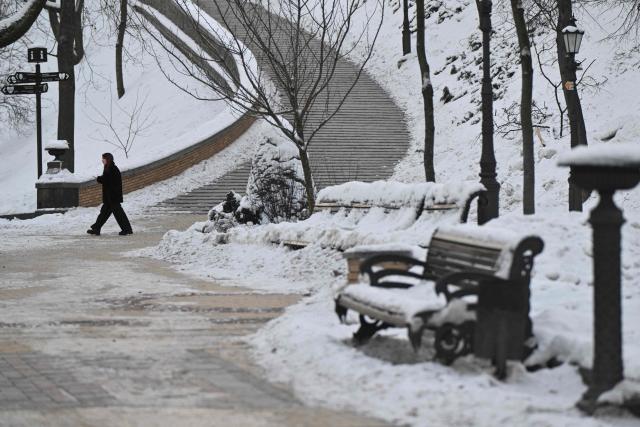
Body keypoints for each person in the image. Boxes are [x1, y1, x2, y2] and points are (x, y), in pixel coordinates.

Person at [87, 153, 133, 236]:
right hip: (109, 197)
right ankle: (96, 228)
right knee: (104, 213)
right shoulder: (108, 168)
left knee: (119, 214)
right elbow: (107, 180)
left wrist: (99, 179)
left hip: (113, 197)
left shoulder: (112, 168)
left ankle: (127, 230)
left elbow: (108, 180)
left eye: (103, 159)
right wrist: (100, 179)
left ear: (107, 159)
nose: (102, 160)